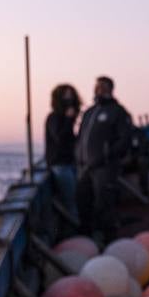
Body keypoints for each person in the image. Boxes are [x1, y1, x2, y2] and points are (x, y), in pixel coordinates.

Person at [75, 75, 134, 243]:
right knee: (83, 200)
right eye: (96, 86)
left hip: (105, 168)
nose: (97, 89)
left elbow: (124, 140)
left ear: (110, 89)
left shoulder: (118, 112)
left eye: (101, 86)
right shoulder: (89, 112)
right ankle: (87, 240)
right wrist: (77, 154)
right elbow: (81, 137)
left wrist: (107, 155)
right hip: (85, 168)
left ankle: (108, 241)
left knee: (104, 206)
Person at [43, 83, 81, 222]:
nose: (70, 98)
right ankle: (77, 231)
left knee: (76, 198)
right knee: (70, 201)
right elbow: (59, 137)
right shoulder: (54, 117)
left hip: (70, 163)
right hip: (60, 166)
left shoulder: (66, 119)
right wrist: (69, 119)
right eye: (66, 95)